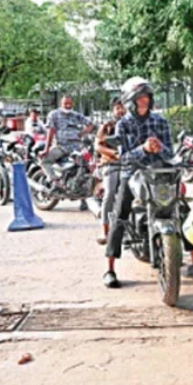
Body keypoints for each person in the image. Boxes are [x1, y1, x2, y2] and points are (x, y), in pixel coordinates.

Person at [103, 77, 174, 288]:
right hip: (132, 174)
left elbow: (170, 153)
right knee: (119, 215)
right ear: (130, 101)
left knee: (179, 208)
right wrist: (143, 149)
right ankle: (110, 268)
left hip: (159, 173)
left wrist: (159, 147)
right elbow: (123, 157)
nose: (144, 101)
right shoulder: (123, 124)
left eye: (147, 97)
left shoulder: (160, 121)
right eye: (140, 97)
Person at [41, 96, 94, 210]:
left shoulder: (76, 115)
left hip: (78, 148)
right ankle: (55, 182)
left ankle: (85, 199)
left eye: (70, 104)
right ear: (61, 104)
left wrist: (82, 133)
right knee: (45, 160)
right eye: (66, 104)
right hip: (62, 147)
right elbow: (51, 131)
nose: (68, 106)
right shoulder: (54, 114)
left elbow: (90, 125)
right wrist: (46, 149)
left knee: (87, 167)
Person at [95, 98, 126, 245]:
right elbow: (98, 146)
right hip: (111, 164)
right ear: (113, 110)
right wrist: (114, 153)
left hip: (131, 164)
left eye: (123, 107)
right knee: (110, 193)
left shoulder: (133, 124)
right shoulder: (107, 126)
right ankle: (105, 230)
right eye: (118, 108)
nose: (121, 111)